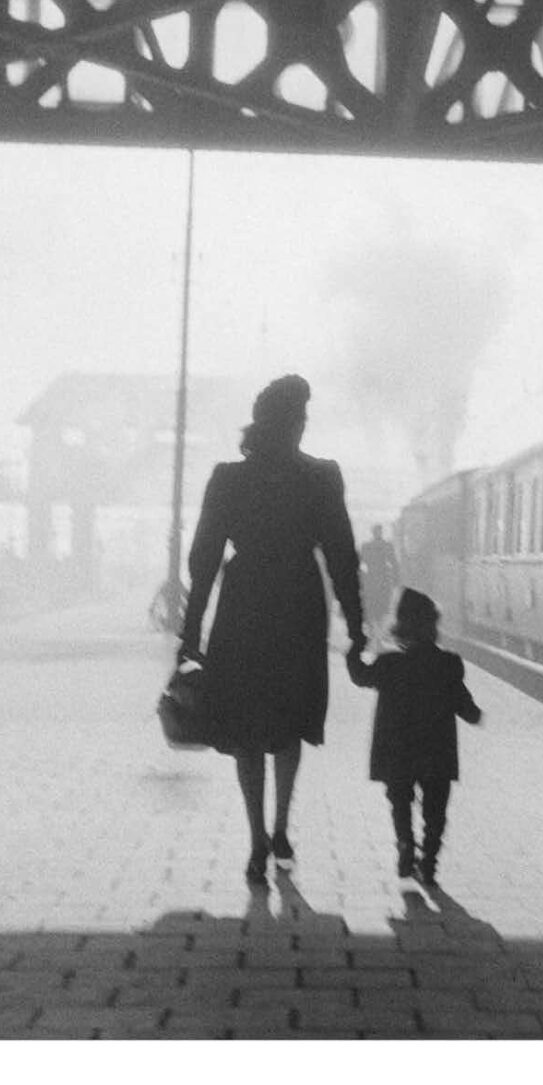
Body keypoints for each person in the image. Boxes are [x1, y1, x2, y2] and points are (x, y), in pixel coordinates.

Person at [178, 374, 366, 885]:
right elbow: (342, 556)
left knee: (246, 728)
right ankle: (280, 827)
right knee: (288, 722)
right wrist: (356, 628)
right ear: (293, 424)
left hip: (244, 606)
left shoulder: (228, 479)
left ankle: (258, 837)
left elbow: (203, 560)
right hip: (299, 607)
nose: (302, 426)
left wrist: (191, 632)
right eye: (300, 418)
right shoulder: (322, 477)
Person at [346, 588, 480, 889]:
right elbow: (463, 704)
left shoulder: (388, 664)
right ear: (433, 625)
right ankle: (429, 861)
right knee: (435, 809)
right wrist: (476, 715)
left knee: (400, 801)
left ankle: (405, 845)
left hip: (397, 751)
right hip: (436, 752)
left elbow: (359, 676)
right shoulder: (448, 664)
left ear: (400, 626)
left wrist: (355, 647)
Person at [359, 521, 400, 632]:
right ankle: (376, 629)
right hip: (377, 579)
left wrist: (396, 579)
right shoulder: (375, 546)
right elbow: (394, 563)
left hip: (377, 579)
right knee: (377, 605)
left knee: (378, 606)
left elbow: (394, 563)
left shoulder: (369, 546)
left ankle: (376, 629)